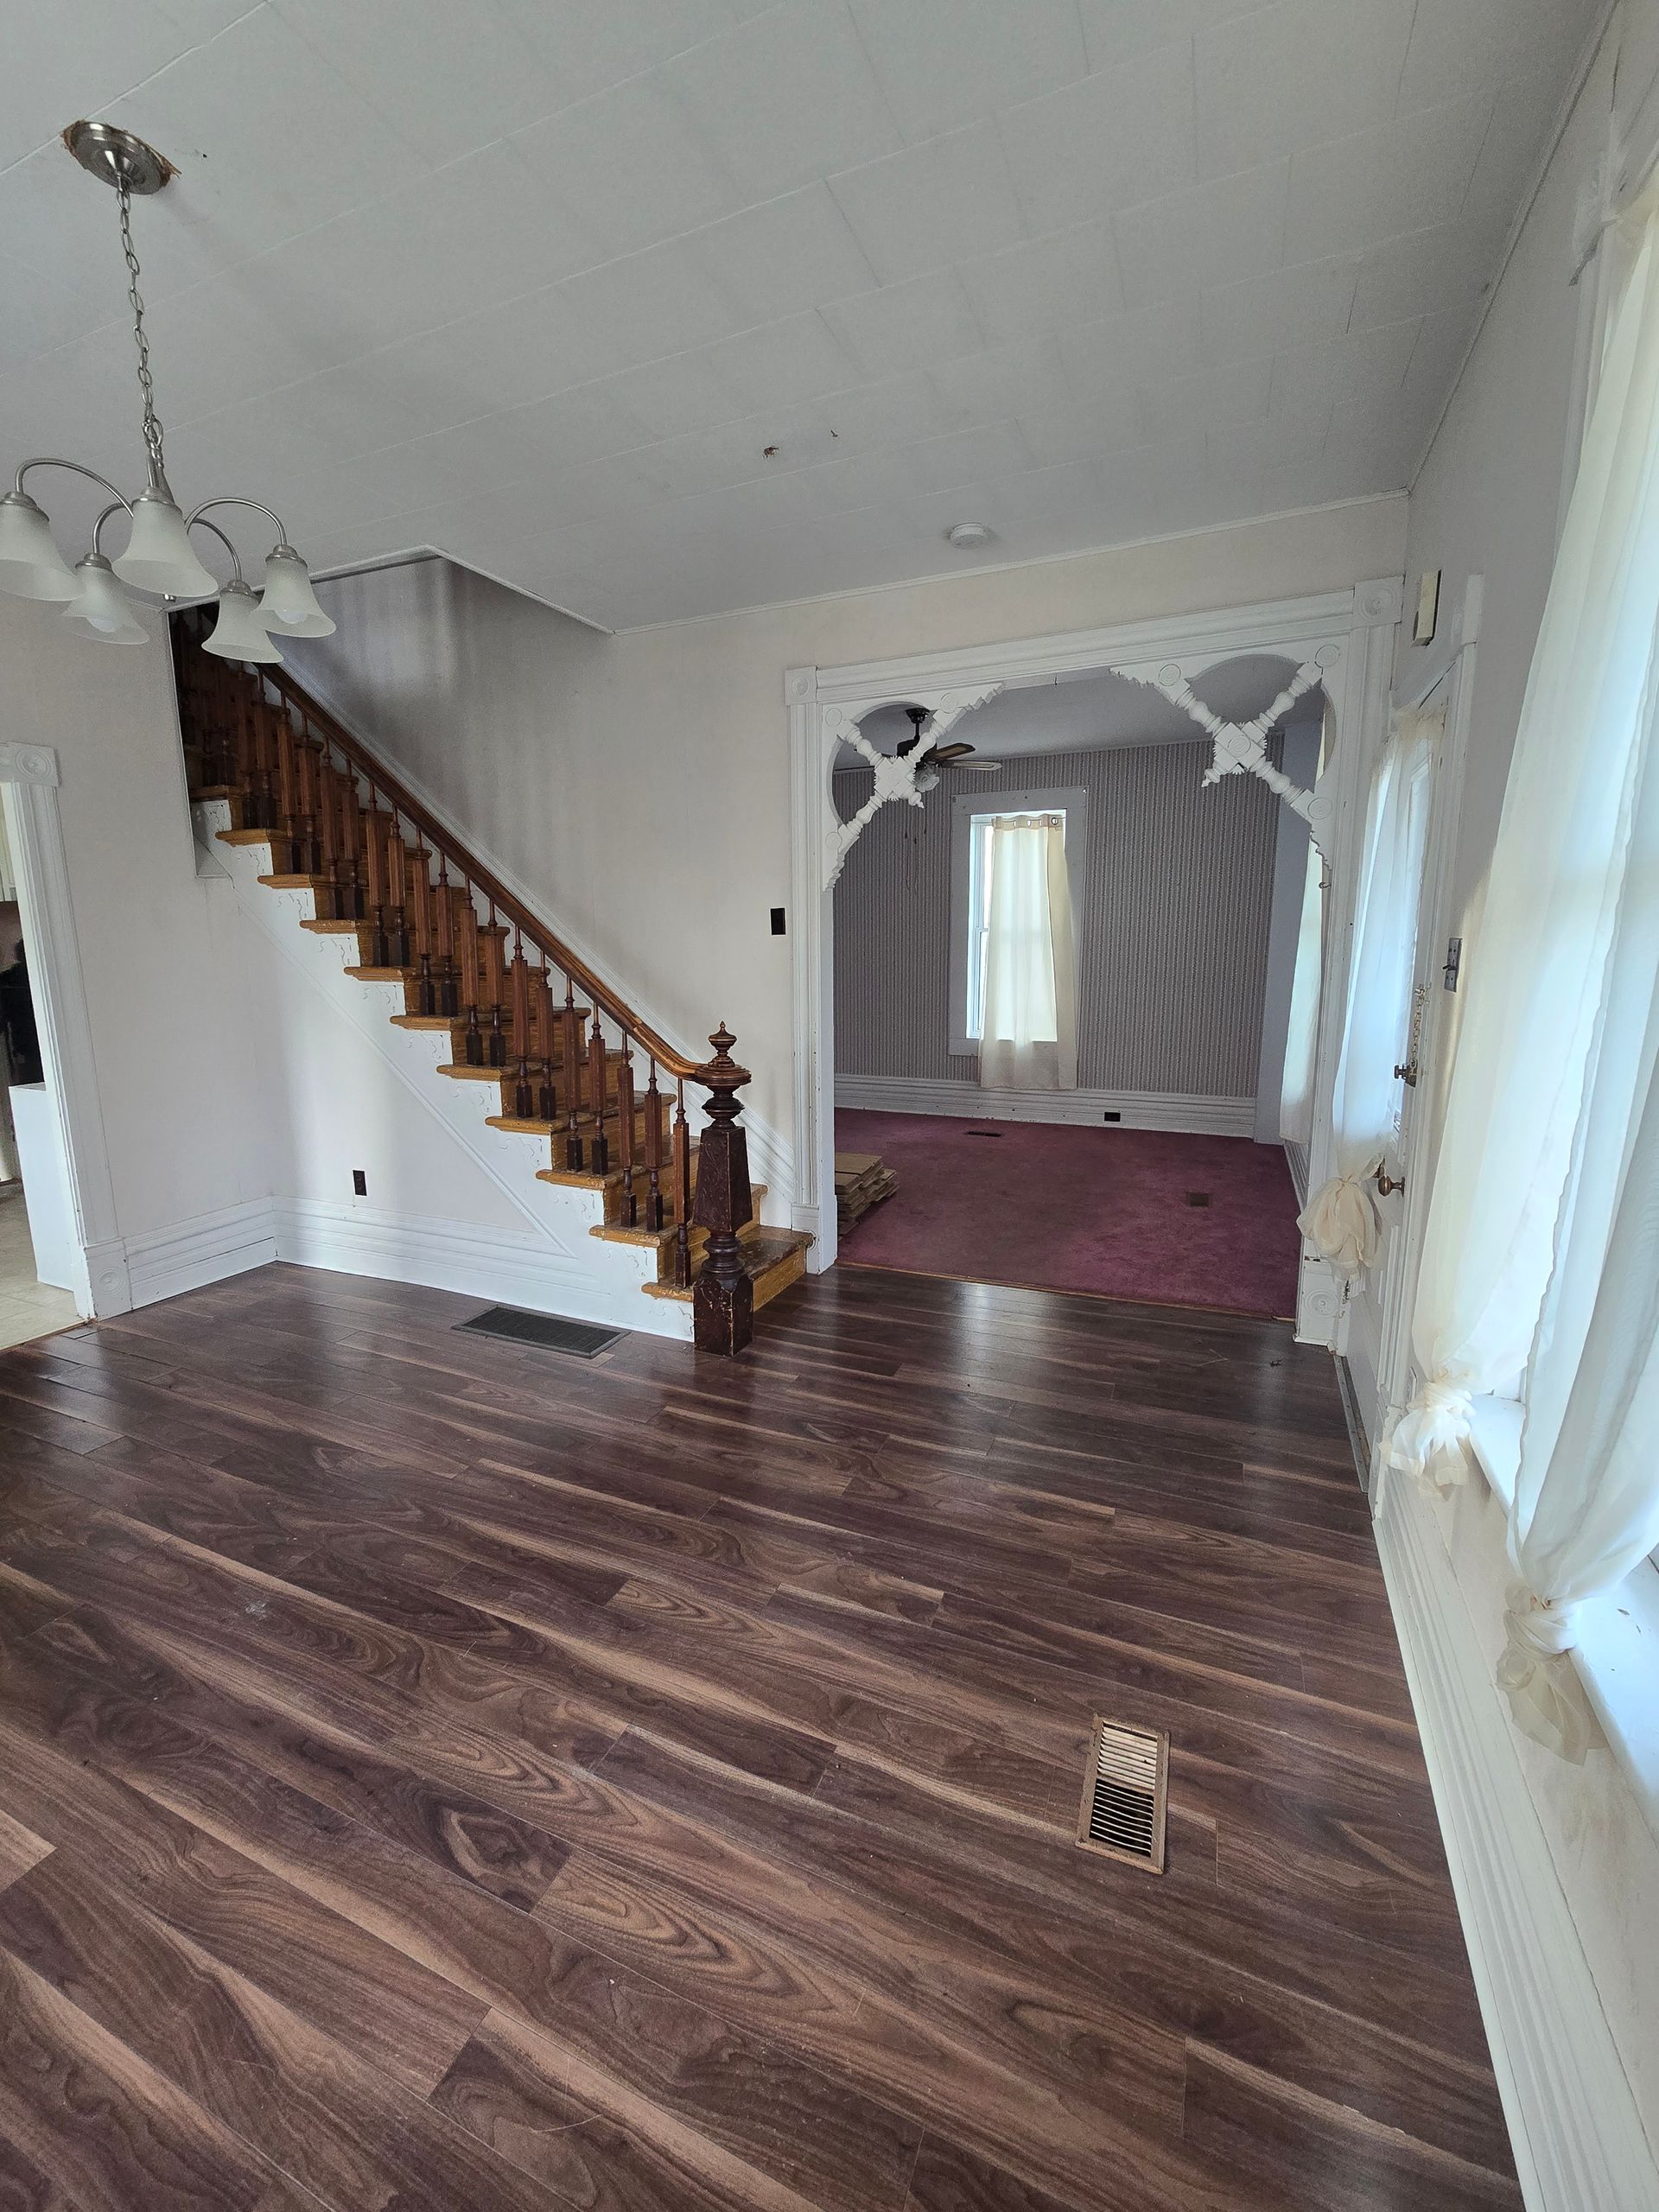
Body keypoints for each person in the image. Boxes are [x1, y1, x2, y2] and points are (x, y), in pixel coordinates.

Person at [0, 943, 43, 1087]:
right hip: (51, 1045)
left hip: (25, 1050)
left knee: (31, 1089)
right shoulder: (48, 975)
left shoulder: (8, 980)